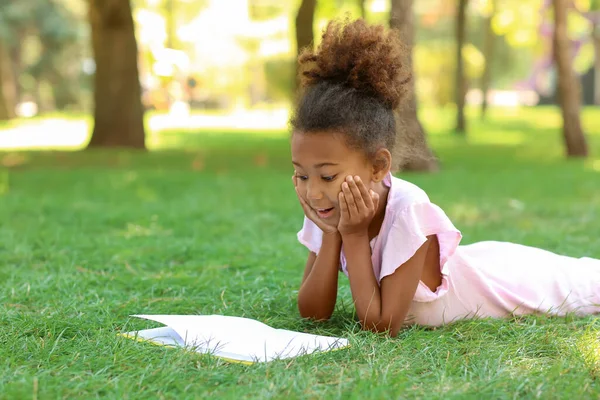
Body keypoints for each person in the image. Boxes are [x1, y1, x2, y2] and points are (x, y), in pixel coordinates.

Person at [289, 18, 599, 337]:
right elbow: (314, 315)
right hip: (480, 262)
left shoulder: (408, 210)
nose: (312, 192)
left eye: (327, 176)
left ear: (378, 166)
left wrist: (352, 237)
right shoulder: (329, 206)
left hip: (512, 282)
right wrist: (332, 235)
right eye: (301, 175)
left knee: (591, 283)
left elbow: (381, 327)